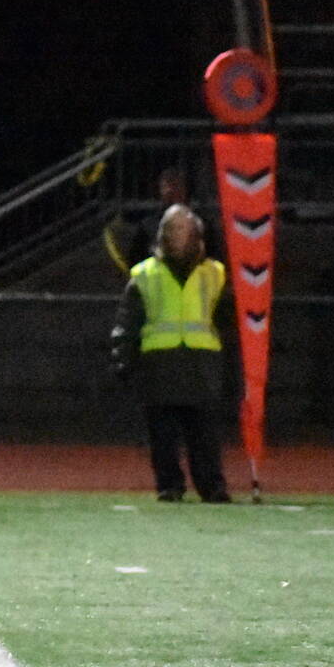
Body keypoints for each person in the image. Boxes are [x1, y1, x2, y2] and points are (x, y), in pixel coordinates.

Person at [111, 204, 237, 503]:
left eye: (182, 229)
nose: (176, 236)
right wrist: (123, 361)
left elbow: (228, 323)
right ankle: (169, 485)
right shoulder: (144, 275)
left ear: (197, 235)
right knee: (162, 437)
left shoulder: (215, 274)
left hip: (201, 364)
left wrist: (232, 367)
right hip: (159, 365)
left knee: (205, 436)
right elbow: (127, 322)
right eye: (171, 230)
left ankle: (212, 487)